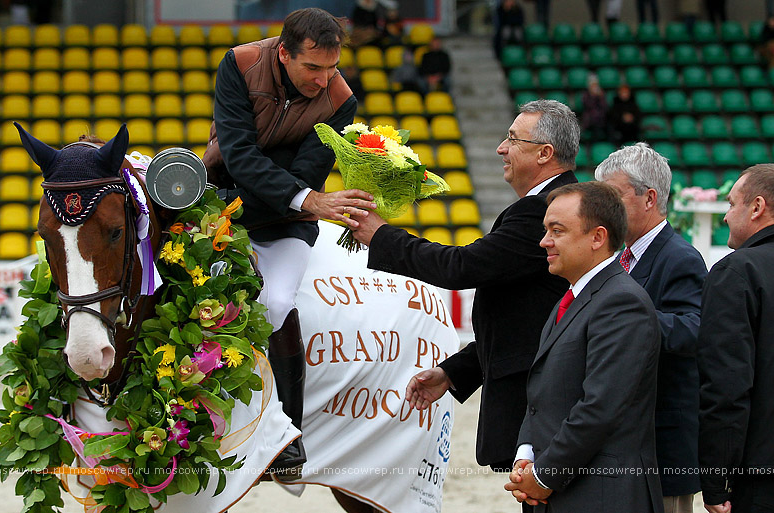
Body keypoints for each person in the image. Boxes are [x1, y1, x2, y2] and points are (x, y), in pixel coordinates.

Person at [350, 99, 579, 474]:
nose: (501, 148)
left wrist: (381, 236)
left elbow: (461, 267)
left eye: (512, 139)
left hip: (542, 401)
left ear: (544, 153)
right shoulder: (556, 203)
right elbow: (528, 318)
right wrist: (456, 371)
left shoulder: (542, 210)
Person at [204, 7, 376, 478]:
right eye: (313, 68)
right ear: (283, 53)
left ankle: (289, 437)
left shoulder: (342, 101)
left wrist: (298, 200)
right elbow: (237, 153)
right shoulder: (238, 64)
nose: (324, 81)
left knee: (277, 301)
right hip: (227, 200)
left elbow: (307, 173)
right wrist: (304, 199)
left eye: (332, 68)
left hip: (283, 220)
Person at [505, 181, 663, 512]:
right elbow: (544, 392)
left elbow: (599, 408)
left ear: (597, 237)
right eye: (546, 229)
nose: (544, 241)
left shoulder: (621, 302)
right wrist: (526, 454)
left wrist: (545, 476)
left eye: (556, 230)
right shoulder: (573, 296)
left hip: (602, 496)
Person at [595, 143, 706, 513]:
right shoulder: (617, 256)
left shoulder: (680, 257)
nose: (603, 209)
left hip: (662, 449)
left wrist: (621, 317)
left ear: (649, 198)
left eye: (613, 196)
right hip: (624, 443)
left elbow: (693, 331)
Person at [698, 164, 774, 513]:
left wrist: (717, 482)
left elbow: (726, 388)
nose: (725, 218)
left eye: (731, 205)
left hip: (762, 481)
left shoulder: (737, 272)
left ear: (757, 207)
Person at [581, 74, 608, 142]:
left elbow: (605, 107)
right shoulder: (585, 95)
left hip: (602, 118)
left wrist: (600, 97)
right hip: (590, 119)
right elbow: (588, 106)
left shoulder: (601, 95)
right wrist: (593, 96)